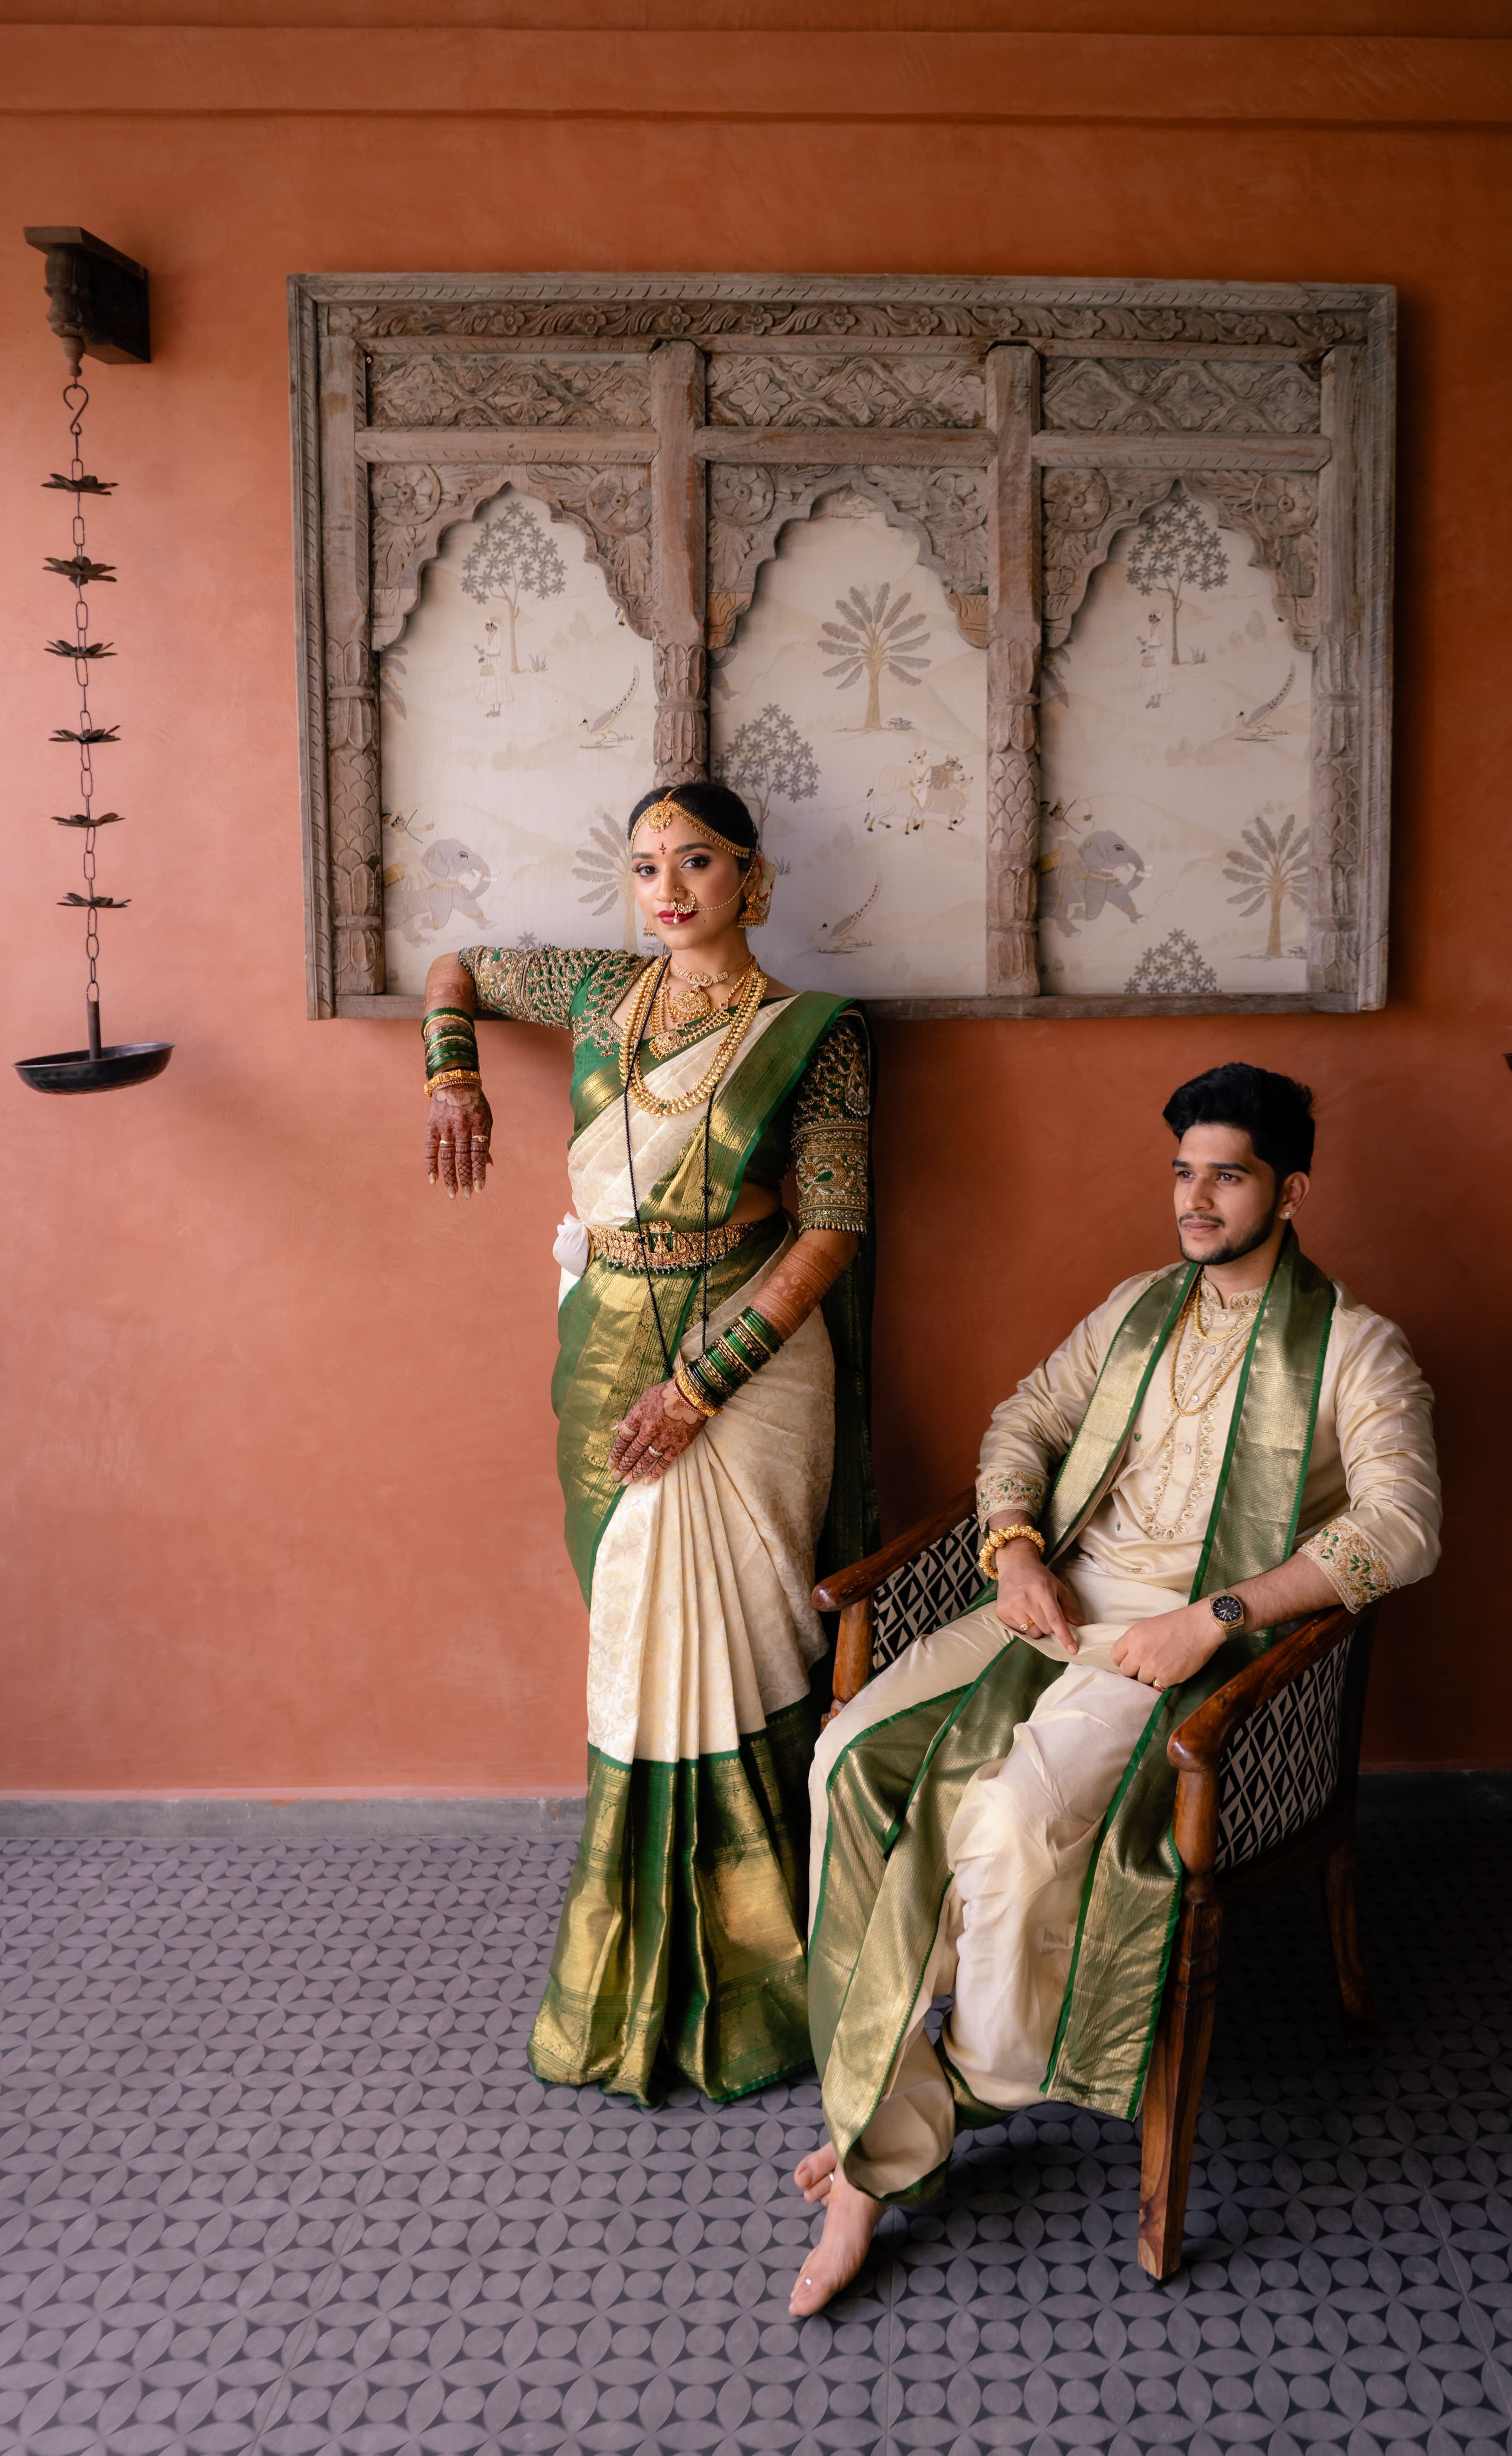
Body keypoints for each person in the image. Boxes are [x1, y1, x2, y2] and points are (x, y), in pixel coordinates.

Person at [787, 1062, 1440, 2315]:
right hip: (1053, 1602)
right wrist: (1015, 1548)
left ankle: (913, 2121)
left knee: (1008, 1823)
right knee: (846, 1754)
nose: (1195, 1200)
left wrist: (1217, 1617)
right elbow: (1026, 1420)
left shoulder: (1358, 1349)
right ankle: (889, 2103)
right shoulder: (1137, 1309)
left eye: (1228, 1177)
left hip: (1177, 1644)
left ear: (1291, 1192)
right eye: (1184, 1172)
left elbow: (1404, 1528)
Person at [420, 783, 875, 2108]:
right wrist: (453, 1076)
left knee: (740, 1642)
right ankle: (629, 1954)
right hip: (605, 1340)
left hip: (748, 1359)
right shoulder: (597, 992)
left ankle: (765, 1962)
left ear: (753, 879)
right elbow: (456, 967)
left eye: (697, 862)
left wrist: (699, 1389)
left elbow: (833, 1230)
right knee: (631, 1636)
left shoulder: (816, 1032)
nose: (668, 890)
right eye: (644, 867)